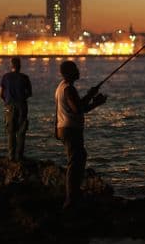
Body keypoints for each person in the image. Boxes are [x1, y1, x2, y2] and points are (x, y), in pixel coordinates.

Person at [55, 60, 107, 209]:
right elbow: (79, 109)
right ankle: (71, 198)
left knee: (79, 158)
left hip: (65, 129)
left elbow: (74, 106)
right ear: (69, 72)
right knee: (75, 162)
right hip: (70, 130)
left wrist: (90, 94)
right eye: (75, 69)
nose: (78, 71)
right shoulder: (68, 89)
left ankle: (74, 194)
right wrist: (96, 102)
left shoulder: (61, 87)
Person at [0, 57, 32, 162]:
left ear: (11, 65)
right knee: (21, 131)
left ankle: (11, 156)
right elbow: (30, 93)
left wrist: (7, 101)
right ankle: (20, 156)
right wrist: (22, 98)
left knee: (10, 131)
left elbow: (0, 94)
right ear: (20, 65)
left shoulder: (6, 77)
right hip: (22, 105)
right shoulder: (25, 77)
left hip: (9, 106)